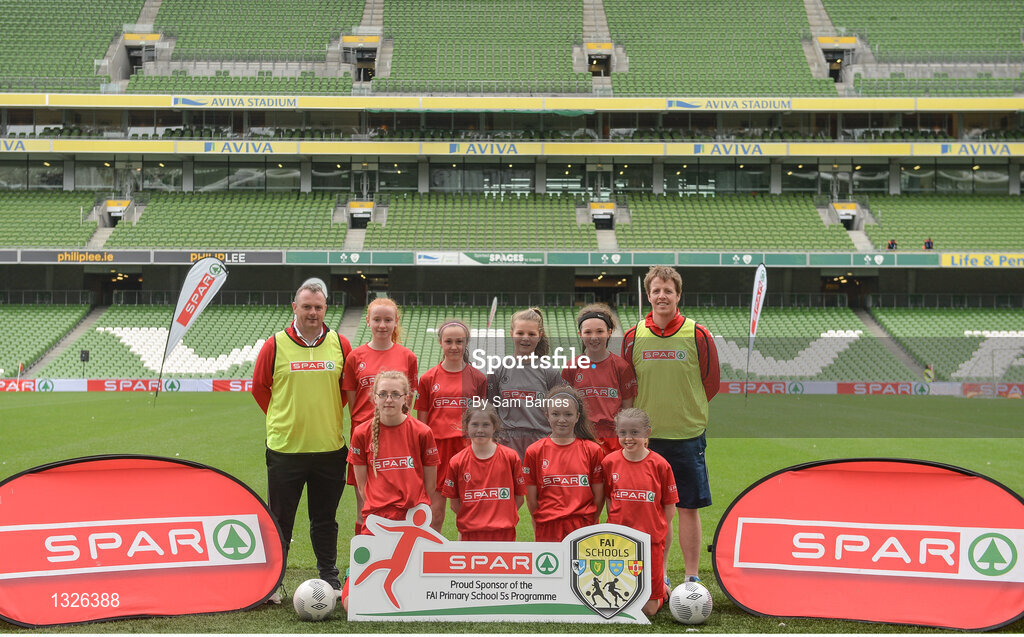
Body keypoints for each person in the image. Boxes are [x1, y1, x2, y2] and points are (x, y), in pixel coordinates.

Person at [251, 279, 351, 599]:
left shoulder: (340, 343)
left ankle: (329, 577)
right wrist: (284, 417)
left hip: (329, 448)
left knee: (325, 519)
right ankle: (274, 580)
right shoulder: (275, 344)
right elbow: (260, 388)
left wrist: (326, 414)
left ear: (325, 309)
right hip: (285, 450)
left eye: (318, 307)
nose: (312, 312)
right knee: (280, 519)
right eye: (306, 306)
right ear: (294, 307)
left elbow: (344, 392)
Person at [622, 265, 719, 586]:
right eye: (656, 290)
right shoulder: (633, 335)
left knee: (688, 507)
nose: (662, 296)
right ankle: (657, 575)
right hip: (646, 441)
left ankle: (692, 576)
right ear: (647, 295)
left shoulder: (698, 334)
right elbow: (628, 383)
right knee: (651, 512)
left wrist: (685, 411)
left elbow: (711, 383)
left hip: (687, 436)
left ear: (678, 295)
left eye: (668, 290)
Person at [343, 298, 418, 532]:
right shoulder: (355, 357)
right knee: (363, 502)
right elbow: (354, 402)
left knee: (400, 501)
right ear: (368, 321)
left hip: (397, 437)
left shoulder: (408, 357)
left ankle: (401, 558)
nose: (382, 325)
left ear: (396, 322)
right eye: (377, 319)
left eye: (388, 320)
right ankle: (361, 563)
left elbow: (409, 398)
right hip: (365, 438)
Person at [602, 407, 678, 616]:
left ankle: (662, 593)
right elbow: (609, 499)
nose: (628, 438)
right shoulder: (609, 462)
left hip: (650, 542)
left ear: (647, 433)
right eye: (623, 432)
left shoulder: (660, 465)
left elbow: (669, 507)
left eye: (635, 432)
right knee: (615, 599)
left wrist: (656, 527)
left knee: (648, 611)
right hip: (620, 543)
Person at [416, 319, 487, 532]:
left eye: (459, 341)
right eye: (449, 341)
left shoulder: (478, 377)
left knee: (468, 509)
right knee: (435, 512)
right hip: (436, 449)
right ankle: (429, 557)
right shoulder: (428, 378)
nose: (454, 346)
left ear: (466, 343)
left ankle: (466, 557)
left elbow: (483, 418)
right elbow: (421, 420)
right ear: (440, 342)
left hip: (467, 448)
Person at [350, 370, 439, 532]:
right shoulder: (361, 433)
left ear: (406, 398)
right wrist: (379, 504)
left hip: (413, 516)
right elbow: (362, 486)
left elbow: (430, 484)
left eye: (395, 394)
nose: (389, 400)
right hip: (377, 518)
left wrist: (415, 506)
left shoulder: (422, 432)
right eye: (383, 394)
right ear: (375, 397)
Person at [523, 386, 604, 542]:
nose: (562, 419)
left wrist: (589, 525)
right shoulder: (534, 451)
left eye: (568, 414)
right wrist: (540, 525)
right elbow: (532, 500)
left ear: (577, 416)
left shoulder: (592, 450)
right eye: (555, 414)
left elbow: (599, 497)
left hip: (583, 526)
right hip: (548, 527)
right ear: (547, 415)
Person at [487, 307, 564, 460]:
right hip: (507, 441)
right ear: (511, 334)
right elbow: (491, 408)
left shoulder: (549, 372)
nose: (525, 338)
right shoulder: (498, 370)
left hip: (541, 440)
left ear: (539, 336)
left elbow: (558, 410)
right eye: (520, 333)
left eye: (531, 334)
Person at [442, 403, 526, 541]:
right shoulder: (457, 461)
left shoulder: (510, 457)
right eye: (475, 424)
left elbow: (519, 498)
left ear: (494, 427)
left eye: (485, 425)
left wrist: (502, 517)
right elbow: (454, 504)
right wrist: (472, 521)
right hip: (471, 535)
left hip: (503, 534)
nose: (480, 429)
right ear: (466, 427)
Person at [561, 303, 637, 454]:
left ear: (609, 332)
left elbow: (627, 408)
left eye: (600, 331)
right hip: (582, 436)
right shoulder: (571, 367)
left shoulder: (621, 367)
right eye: (588, 332)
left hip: (613, 439)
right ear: (580, 334)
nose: (594, 337)